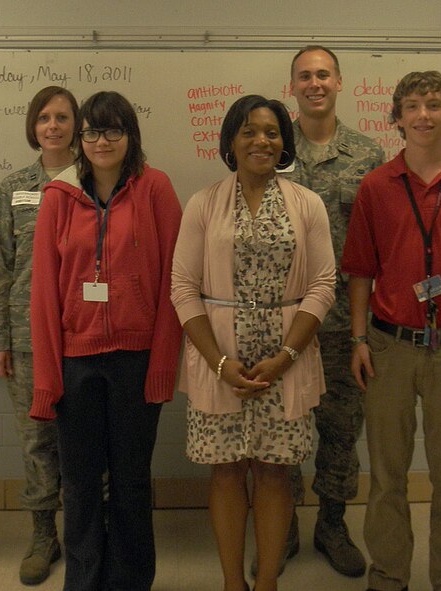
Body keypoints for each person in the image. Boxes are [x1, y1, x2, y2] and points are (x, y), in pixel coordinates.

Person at [342, 71, 441, 591]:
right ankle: (388, 576)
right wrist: (360, 339)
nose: (423, 116)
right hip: (389, 348)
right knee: (387, 477)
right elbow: (361, 271)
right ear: (397, 117)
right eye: (412, 106)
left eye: (434, 105)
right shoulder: (376, 186)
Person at [171, 95, 336, 591]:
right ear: (231, 141)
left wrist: (286, 356)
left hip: (285, 357)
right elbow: (182, 287)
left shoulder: (307, 203)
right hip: (219, 357)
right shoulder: (203, 203)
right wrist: (220, 363)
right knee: (224, 472)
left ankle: (265, 582)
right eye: (248, 131)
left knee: (273, 472)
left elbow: (323, 283)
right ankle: (231, 583)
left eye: (271, 132)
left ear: (284, 142)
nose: (260, 140)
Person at [29, 90, 183, 591]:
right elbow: (44, 296)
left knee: (132, 482)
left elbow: (174, 284)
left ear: (131, 135)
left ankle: (131, 581)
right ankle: (84, 579)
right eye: (92, 130)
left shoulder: (155, 188)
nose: (101, 140)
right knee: (79, 485)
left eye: (113, 129)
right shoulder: (58, 196)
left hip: (136, 360)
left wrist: (163, 364)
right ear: (80, 139)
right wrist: (48, 378)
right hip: (77, 362)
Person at [276, 44, 385, 579]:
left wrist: (370, 330)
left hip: (345, 324)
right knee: (281, 430)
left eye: (323, 74)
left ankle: (333, 525)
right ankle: (283, 529)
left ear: (340, 82)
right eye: (304, 76)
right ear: (290, 87)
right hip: (281, 322)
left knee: (341, 433)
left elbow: (381, 247)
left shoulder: (368, 157)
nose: (314, 83)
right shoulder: (269, 147)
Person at [0, 86, 78, 585]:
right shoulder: (14, 186)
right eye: (44, 117)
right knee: (38, 442)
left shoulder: (96, 178)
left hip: (82, 336)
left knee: (83, 440)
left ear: (76, 125)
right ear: (33, 126)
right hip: (26, 336)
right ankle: (44, 535)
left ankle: (88, 533)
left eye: (63, 117)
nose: (53, 126)